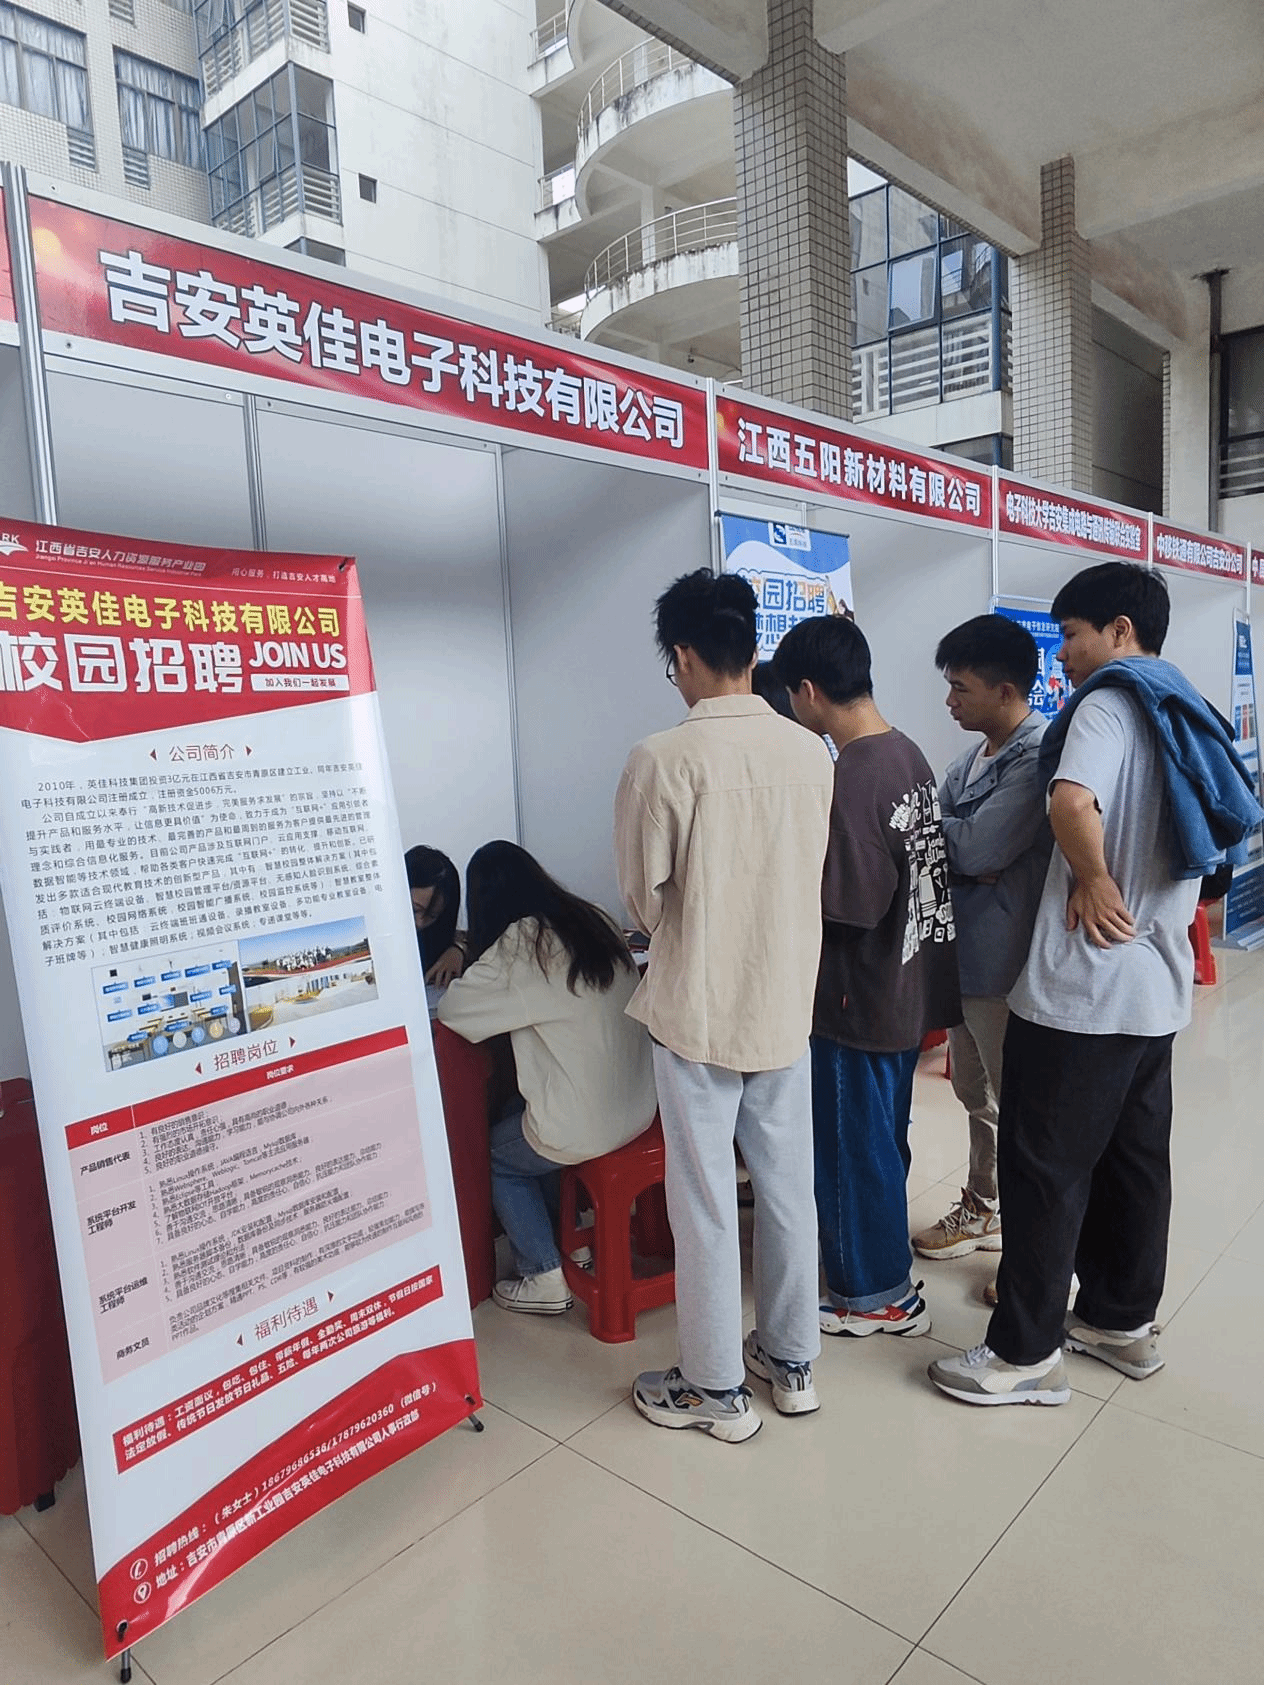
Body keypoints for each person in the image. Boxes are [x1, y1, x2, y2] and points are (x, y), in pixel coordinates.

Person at [929, 563, 1263, 1406]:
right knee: (1134, 1164)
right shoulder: (1188, 705)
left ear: (1119, 630)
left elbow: (1072, 801)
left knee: (1042, 1168)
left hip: (1083, 988)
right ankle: (1120, 1318)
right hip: (1156, 986)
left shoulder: (1110, 704)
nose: (1063, 656)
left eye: (1071, 636)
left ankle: (1024, 1354)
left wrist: (1094, 875)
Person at [614, 570, 833, 1443]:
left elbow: (643, 899)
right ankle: (792, 1361)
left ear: (683, 655)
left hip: (699, 1006)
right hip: (783, 1001)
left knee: (705, 1200)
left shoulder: (662, 758)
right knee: (786, 1190)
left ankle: (713, 1388)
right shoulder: (808, 751)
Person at [774, 616, 961, 1341]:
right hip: (903, 988)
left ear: (809, 691)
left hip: (858, 999)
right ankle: (885, 1270)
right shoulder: (905, 751)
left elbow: (848, 906)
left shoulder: (854, 775)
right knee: (881, 1140)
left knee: (852, 1149)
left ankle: (874, 1294)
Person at [437, 841, 656, 1315]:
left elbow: (454, 1009)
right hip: (639, 1104)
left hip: (588, 1123)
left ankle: (542, 1274)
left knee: (496, 1156)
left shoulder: (522, 946)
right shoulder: (591, 917)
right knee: (520, 1109)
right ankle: (572, 1241)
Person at [912, 615, 1051, 1279]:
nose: (949, 701)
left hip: (1006, 960)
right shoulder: (970, 760)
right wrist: (958, 848)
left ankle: (1034, 1246)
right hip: (963, 955)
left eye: (960, 688)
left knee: (1018, 1102)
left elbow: (976, 848)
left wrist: (957, 848)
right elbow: (926, 838)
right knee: (975, 1091)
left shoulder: (1038, 756)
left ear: (1004, 690)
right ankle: (984, 1202)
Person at [405, 845, 466, 986]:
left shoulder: (441, 939)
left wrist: (459, 950)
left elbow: (470, 939)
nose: (420, 922)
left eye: (432, 916)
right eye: (414, 910)